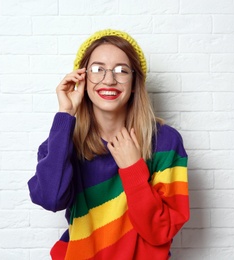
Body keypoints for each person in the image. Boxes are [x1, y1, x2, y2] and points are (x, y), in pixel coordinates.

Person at [28, 29, 189, 260]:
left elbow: (160, 232)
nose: (109, 79)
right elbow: (50, 199)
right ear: (81, 79)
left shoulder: (165, 141)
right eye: (97, 69)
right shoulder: (63, 141)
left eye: (122, 70)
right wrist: (65, 114)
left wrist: (133, 169)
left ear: (134, 82)